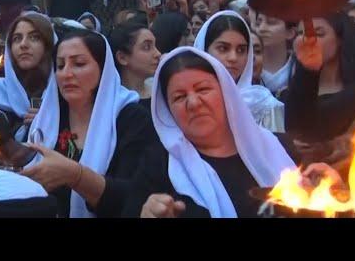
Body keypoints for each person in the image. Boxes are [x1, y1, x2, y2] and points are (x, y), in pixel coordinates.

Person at [122, 47, 299, 218]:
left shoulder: (278, 147)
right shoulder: (157, 167)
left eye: (202, 89)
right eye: (179, 97)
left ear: (226, 93)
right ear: (168, 111)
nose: (193, 103)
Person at [21, 29, 156, 217]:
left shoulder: (131, 118)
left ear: (103, 69)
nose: (66, 74)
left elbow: (135, 196)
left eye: (79, 64)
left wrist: (77, 176)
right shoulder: (49, 118)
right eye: (60, 66)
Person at [284, 12, 355, 164]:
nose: (308, 40)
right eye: (300, 34)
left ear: (340, 39)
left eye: (318, 34)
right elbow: (297, 132)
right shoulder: (293, 94)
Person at [194, 11, 285, 132]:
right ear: (204, 51)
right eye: (223, 48)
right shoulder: (191, 101)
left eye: (241, 50)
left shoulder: (264, 105)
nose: (233, 58)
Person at [0, 13, 56, 141]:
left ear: (48, 45)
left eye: (34, 37)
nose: (23, 45)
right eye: (17, 38)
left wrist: (50, 120)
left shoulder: (61, 95)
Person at [109, 21, 161, 111]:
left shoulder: (160, 92)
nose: (158, 54)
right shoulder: (115, 106)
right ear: (122, 58)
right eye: (147, 47)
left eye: (155, 46)